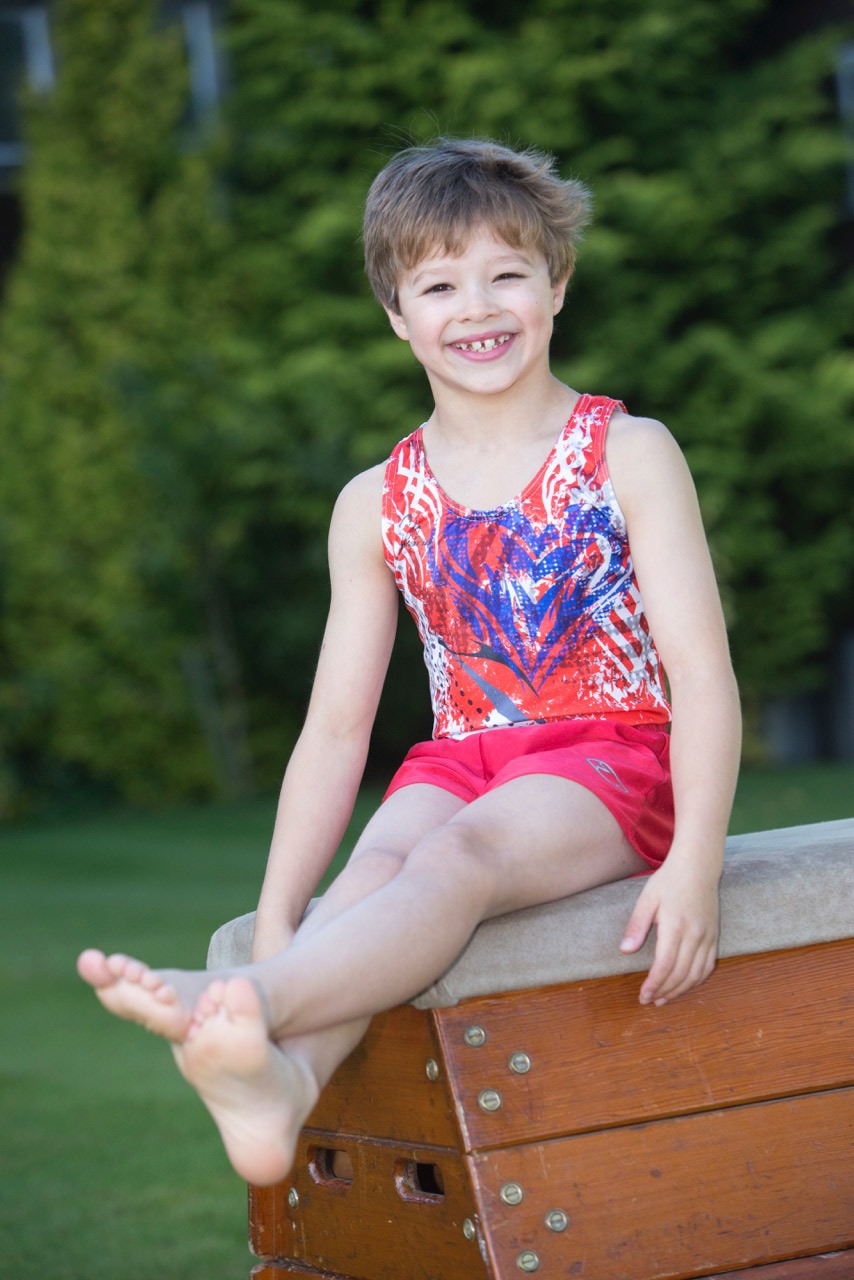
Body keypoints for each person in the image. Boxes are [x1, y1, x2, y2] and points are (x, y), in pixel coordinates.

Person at [77, 137, 741, 1188]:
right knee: (372, 877)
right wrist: (280, 914)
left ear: (556, 285)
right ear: (395, 311)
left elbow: (701, 674)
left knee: (456, 860)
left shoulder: (625, 452)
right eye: (438, 283)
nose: (476, 307)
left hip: (607, 757)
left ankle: (253, 1003)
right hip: (457, 757)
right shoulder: (375, 502)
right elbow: (337, 731)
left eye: (506, 274)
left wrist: (693, 860)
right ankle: (282, 1078)